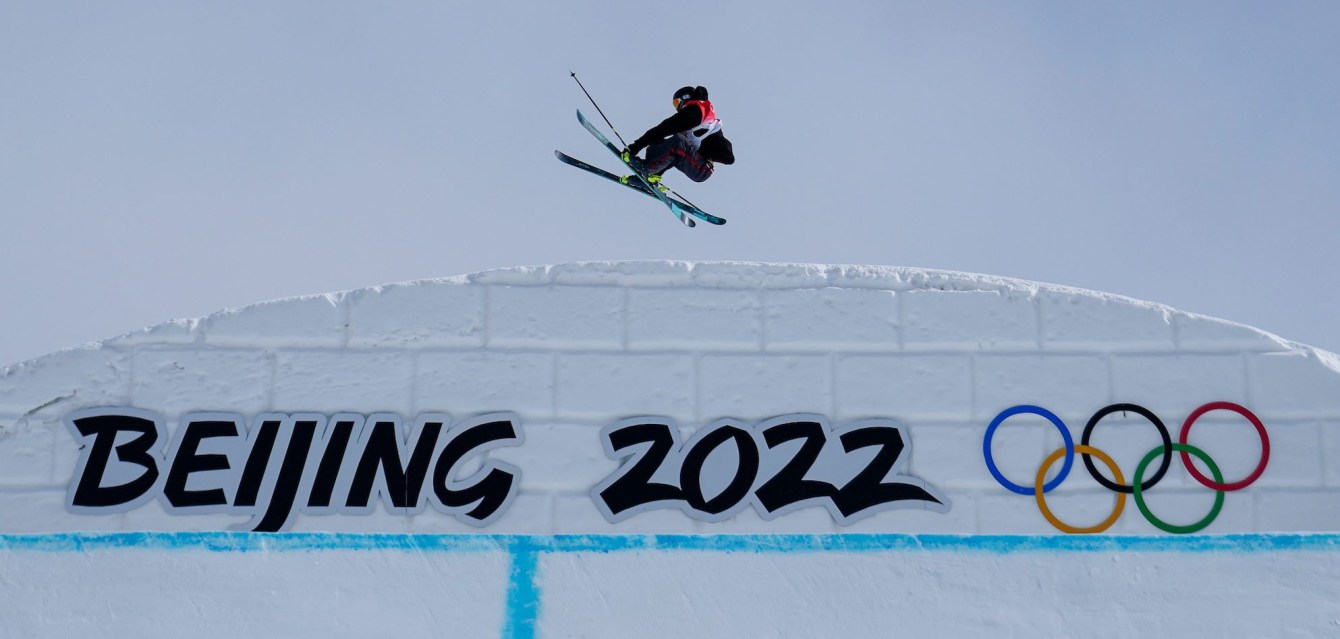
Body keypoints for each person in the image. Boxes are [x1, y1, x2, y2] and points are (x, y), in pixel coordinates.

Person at [620, 86, 735, 185]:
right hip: (692, 161)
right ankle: (651, 175)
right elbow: (668, 145)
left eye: (677, 103)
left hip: (701, 169)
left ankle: (649, 170)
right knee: (659, 144)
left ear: (685, 99)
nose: (677, 108)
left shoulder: (695, 113)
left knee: (676, 142)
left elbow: (663, 128)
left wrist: (634, 148)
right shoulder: (693, 116)